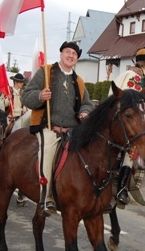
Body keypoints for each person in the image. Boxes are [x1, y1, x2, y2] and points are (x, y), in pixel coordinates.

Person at [22, 41, 94, 215]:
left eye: (74, 54)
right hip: (49, 127)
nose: (71, 56)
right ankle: (46, 198)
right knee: (46, 153)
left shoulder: (79, 81)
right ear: (61, 54)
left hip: (72, 130)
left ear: (77, 59)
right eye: (68, 52)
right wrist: (40, 95)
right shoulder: (45, 73)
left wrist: (84, 113)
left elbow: (87, 104)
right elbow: (26, 96)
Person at [110, 47, 145, 207]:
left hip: (122, 120)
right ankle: (121, 189)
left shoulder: (133, 76)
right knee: (132, 148)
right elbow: (130, 103)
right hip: (118, 122)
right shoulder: (133, 77)